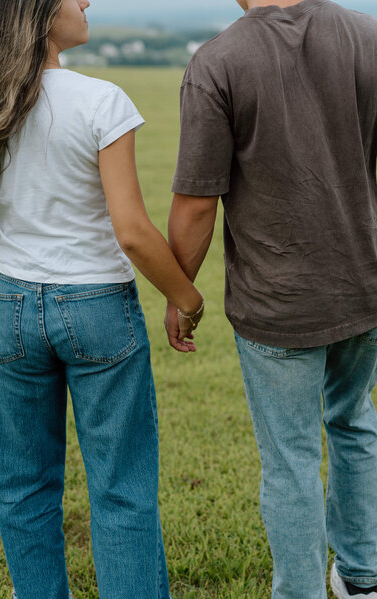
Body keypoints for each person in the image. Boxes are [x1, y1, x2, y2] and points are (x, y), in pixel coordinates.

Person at [0, 1, 204, 598]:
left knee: (22, 490)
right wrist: (187, 295)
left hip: (8, 306)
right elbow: (131, 230)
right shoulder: (100, 99)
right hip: (98, 307)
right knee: (121, 490)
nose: (86, 3)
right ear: (39, 13)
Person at [165, 0, 377, 598]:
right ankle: (363, 577)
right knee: (356, 423)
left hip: (277, 305)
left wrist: (181, 292)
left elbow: (196, 202)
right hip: (364, 286)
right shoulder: (369, 36)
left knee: (290, 461)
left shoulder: (219, 59)